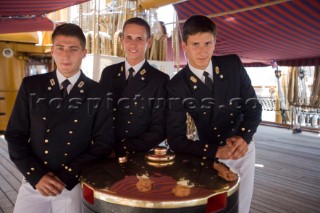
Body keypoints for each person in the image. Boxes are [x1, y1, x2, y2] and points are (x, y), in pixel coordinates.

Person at [5, 23, 114, 213]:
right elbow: (15, 135)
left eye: (73, 49)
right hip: (34, 181)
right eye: (60, 48)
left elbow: (103, 143)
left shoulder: (98, 92)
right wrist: (36, 176)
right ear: (52, 51)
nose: (66, 55)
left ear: (84, 52)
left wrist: (65, 176)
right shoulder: (32, 86)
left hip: (72, 184)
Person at [166, 15, 262, 213]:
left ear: (215, 42)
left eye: (208, 43)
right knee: (214, 206)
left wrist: (244, 137)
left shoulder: (232, 65)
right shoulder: (177, 85)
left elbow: (253, 107)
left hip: (243, 147)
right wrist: (217, 152)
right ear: (184, 46)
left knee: (241, 206)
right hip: (208, 151)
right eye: (195, 44)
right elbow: (175, 139)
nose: (202, 51)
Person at [100, 17, 169, 156]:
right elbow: (100, 116)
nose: (133, 45)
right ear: (121, 41)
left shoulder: (159, 80)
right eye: (128, 38)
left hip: (136, 155)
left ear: (148, 42)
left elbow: (159, 129)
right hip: (104, 152)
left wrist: (120, 149)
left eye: (139, 39)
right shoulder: (109, 73)